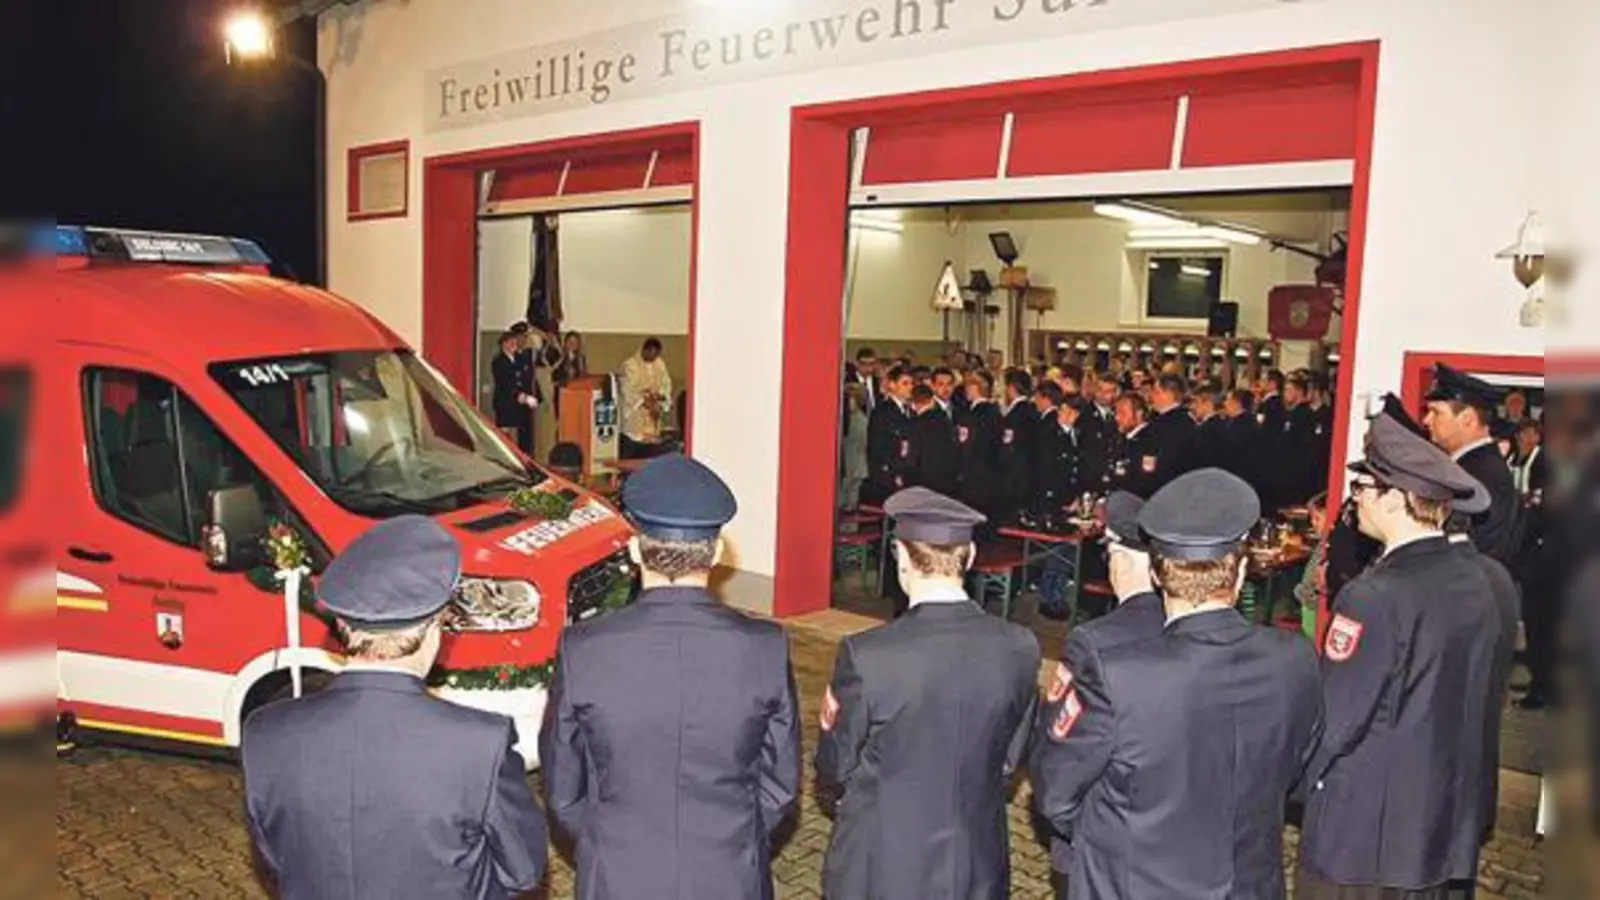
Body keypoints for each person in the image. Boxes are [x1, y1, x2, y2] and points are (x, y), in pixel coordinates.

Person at [1032, 469, 1321, 900]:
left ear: (1158, 576)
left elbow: (1056, 791)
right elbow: (1299, 773)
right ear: (1240, 573)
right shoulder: (1295, 658)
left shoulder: (1118, 674)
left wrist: (1117, 833)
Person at [242, 517, 547, 900]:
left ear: (340, 624)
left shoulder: (265, 732)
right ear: (434, 628)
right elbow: (522, 870)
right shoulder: (480, 744)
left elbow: (274, 859)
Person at [542, 455, 801, 900]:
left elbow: (563, 790)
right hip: (728, 874)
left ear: (634, 548)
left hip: (620, 875)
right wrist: (735, 839)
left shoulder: (583, 648)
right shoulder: (765, 646)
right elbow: (779, 788)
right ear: (718, 552)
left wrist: (608, 843)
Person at [1297, 414, 1511, 900]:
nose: (1356, 497)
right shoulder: (1478, 578)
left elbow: (1335, 724)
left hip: (1364, 840)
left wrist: (1285, 782)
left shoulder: (1372, 596)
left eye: (1364, 485)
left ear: (1396, 498)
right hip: (1434, 830)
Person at [816, 487, 1040, 900]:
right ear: (970, 558)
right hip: (976, 857)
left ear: (900, 556)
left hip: (883, 862)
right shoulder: (1020, 646)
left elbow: (835, 764)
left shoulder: (867, 655)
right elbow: (1011, 759)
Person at [1034, 491, 1165, 898]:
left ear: (1119, 556)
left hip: (1101, 843)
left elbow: (1059, 755)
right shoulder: (1185, 627)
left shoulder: (1093, 642)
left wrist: (1072, 823)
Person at [1422, 363, 1522, 566]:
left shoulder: (1475, 476)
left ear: (1467, 418)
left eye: (1436, 412)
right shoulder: (1473, 466)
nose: (1426, 420)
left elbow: (1465, 554)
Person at [957, 369, 1005, 531]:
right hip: (992, 471)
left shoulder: (972, 415)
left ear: (974, 388)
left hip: (973, 474)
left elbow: (966, 445)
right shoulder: (996, 412)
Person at [864, 365, 915, 507]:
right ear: (892, 385)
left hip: (906, 475)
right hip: (889, 478)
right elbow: (877, 448)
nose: (910, 387)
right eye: (905, 383)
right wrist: (894, 473)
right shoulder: (882, 412)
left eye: (911, 383)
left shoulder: (910, 410)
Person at [619, 337, 674, 459]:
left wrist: (660, 398)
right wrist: (646, 403)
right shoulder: (629, 365)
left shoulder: (659, 364)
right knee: (632, 452)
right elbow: (628, 391)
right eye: (651, 354)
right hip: (635, 419)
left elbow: (666, 384)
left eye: (656, 355)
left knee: (651, 452)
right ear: (644, 350)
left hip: (653, 414)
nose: (652, 358)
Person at [908, 382, 960, 498]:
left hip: (923, 483)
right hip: (947, 480)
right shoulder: (946, 421)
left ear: (913, 403)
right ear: (932, 400)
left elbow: (913, 456)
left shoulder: (914, 425)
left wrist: (907, 478)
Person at [490, 329, 537, 454]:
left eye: (515, 342)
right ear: (503, 344)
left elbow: (526, 379)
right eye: (510, 342)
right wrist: (520, 395)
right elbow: (505, 383)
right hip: (506, 404)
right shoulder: (499, 361)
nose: (513, 345)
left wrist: (529, 396)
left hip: (521, 405)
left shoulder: (521, 359)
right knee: (506, 438)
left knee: (524, 438)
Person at [999, 368, 1036, 524]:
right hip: (1028, 470)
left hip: (1014, 473)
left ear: (1011, 388)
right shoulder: (1032, 410)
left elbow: (1008, 445)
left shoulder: (1014, 415)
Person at [839, 382, 871, 511]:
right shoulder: (842, 420)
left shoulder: (861, 421)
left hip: (855, 467)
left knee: (850, 505)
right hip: (845, 468)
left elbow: (863, 445)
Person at [1189, 382, 1228, 472]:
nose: (1192, 406)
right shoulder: (1221, 423)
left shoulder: (1206, 430)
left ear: (1208, 404)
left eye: (1196, 402)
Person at [549, 330, 589, 417]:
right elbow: (552, 373)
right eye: (570, 342)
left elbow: (583, 375)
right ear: (565, 343)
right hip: (561, 393)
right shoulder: (559, 356)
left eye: (575, 342)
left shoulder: (581, 359)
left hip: (576, 394)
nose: (572, 345)